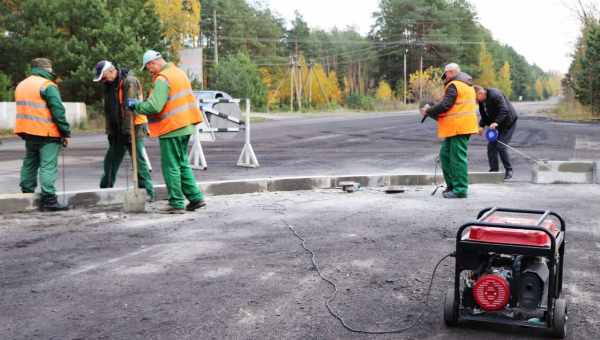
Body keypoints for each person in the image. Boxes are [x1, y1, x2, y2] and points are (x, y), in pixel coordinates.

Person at [130, 50, 206, 213]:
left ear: (153, 63)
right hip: (186, 125)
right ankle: (196, 198)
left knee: (170, 166)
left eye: (148, 67)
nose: (149, 71)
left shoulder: (163, 79)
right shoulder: (179, 73)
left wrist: (136, 106)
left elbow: (155, 106)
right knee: (182, 163)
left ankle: (176, 203)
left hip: (172, 127)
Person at [93, 60, 155, 200]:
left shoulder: (129, 82)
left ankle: (147, 192)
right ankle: (105, 190)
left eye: (103, 76)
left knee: (138, 160)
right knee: (110, 160)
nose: (102, 80)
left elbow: (129, 108)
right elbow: (109, 110)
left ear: (111, 71)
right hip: (117, 129)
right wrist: (110, 130)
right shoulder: (108, 85)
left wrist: (127, 131)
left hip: (134, 126)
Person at [14, 58, 71, 211]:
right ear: (46, 70)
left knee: (30, 163)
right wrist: (65, 131)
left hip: (27, 131)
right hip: (47, 133)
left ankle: (26, 195)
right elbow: (58, 111)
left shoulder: (21, 85)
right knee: (48, 166)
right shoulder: (47, 86)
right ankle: (49, 201)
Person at [420, 63, 479, 199]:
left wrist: (429, 110)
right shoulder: (462, 85)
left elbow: (446, 105)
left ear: (451, 72)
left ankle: (460, 189)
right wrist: (433, 110)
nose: (444, 77)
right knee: (445, 155)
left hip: (460, 127)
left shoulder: (455, 85)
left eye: (445, 74)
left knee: (457, 158)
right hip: (456, 127)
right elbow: (451, 106)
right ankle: (452, 185)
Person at [474, 85, 518, 180]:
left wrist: (496, 122)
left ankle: (509, 170)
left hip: (508, 123)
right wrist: (481, 126)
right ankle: (494, 171)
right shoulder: (482, 101)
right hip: (497, 124)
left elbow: (504, 110)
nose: (475, 101)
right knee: (491, 147)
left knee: (501, 146)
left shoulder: (495, 94)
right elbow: (484, 115)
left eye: (475, 98)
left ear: (480, 93)